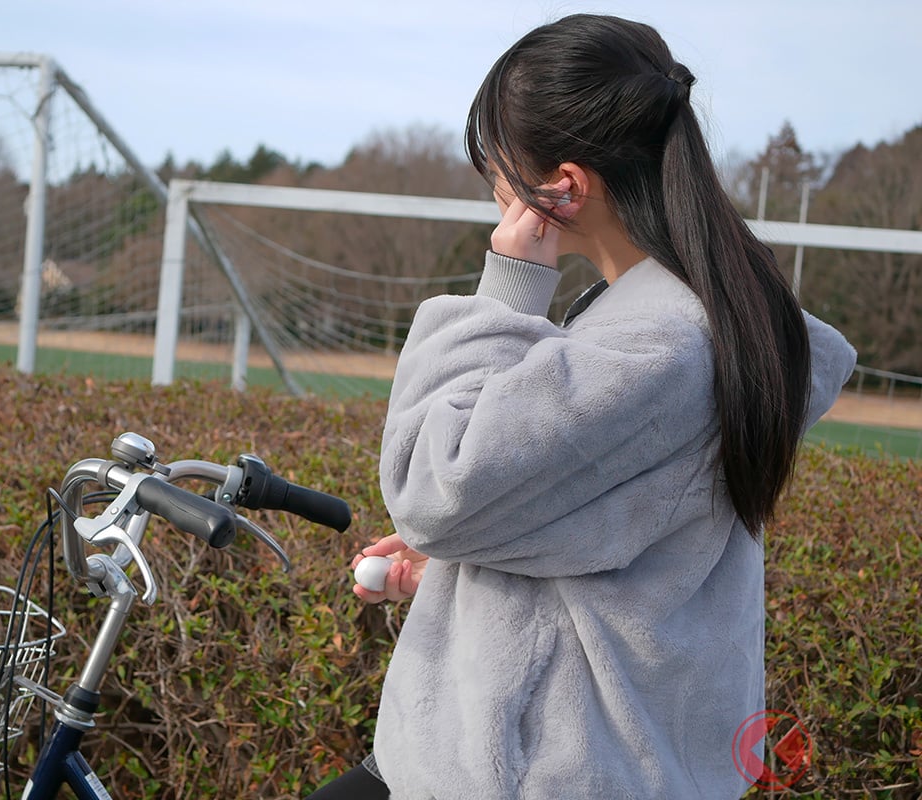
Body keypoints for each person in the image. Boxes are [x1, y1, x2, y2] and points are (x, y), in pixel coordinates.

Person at [305, 13, 856, 800]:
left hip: (530, 773)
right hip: (589, 761)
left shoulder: (651, 350)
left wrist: (506, 292)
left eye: (499, 171)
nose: (496, 194)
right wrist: (470, 563)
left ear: (562, 186)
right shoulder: (703, 329)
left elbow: (434, 487)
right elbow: (628, 555)